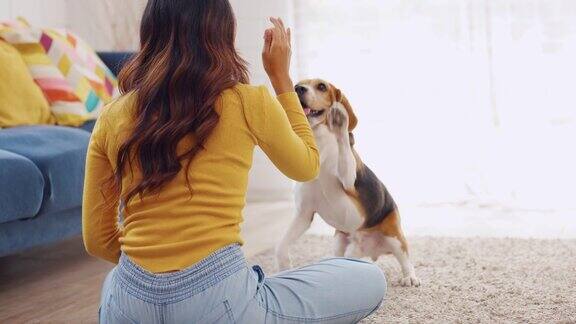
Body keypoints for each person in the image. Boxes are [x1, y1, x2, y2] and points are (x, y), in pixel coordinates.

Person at [82, 0, 386, 323]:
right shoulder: (246, 101)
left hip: (129, 304)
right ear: (223, 34)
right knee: (367, 277)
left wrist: (151, 275)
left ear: (150, 34)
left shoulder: (111, 116)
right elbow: (307, 165)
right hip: (220, 302)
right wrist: (281, 76)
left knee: (114, 282)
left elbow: (96, 239)